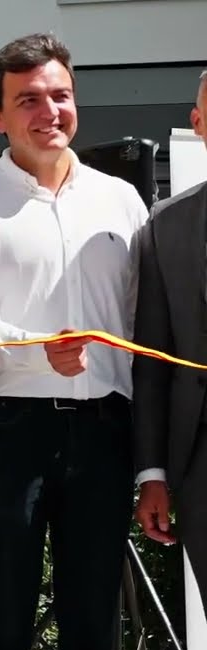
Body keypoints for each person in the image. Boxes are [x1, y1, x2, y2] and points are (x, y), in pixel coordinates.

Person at [0, 33, 149, 650]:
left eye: (60, 95)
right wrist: (41, 352)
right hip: (12, 430)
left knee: (94, 621)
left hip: (106, 429)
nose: (48, 111)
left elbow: (143, 325)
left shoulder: (122, 200)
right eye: (28, 99)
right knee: (3, 614)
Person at [133, 70, 207, 601]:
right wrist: (152, 473)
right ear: (198, 123)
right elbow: (152, 358)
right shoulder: (166, 225)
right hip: (200, 468)